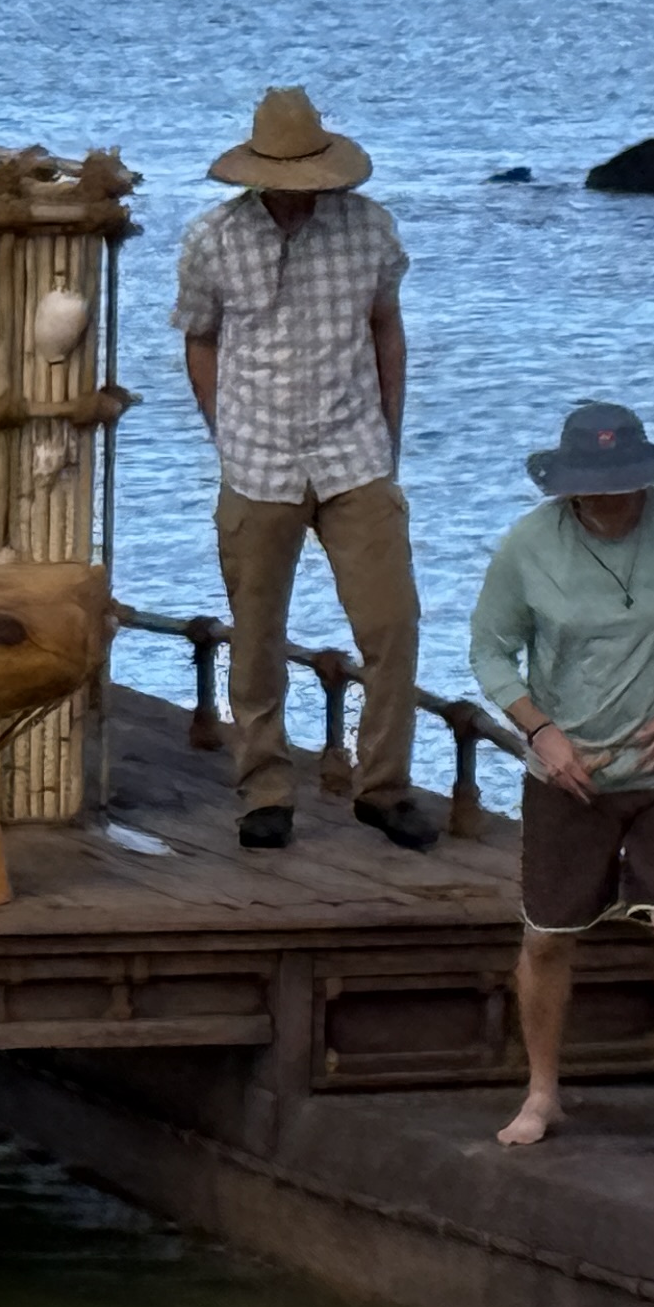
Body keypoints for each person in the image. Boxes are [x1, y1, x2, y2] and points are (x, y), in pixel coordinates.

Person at [468, 401, 654, 1177]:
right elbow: (491, 652)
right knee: (547, 938)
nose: (614, 501)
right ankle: (542, 1092)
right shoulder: (528, 547)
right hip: (570, 773)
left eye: (626, 486)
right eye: (597, 489)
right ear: (568, 489)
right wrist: (540, 732)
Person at [175, 85, 446, 855]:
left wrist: (389, 438)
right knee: (257, 635)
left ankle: (383, 786)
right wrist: (223, 432)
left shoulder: (370, 231)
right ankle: (265, 790)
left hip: (354, 453)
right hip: (256, 459)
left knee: (391, 623)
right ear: (257, 176)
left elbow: (386, 331)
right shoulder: (212, 240)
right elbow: (200, 339)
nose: (300, 196)